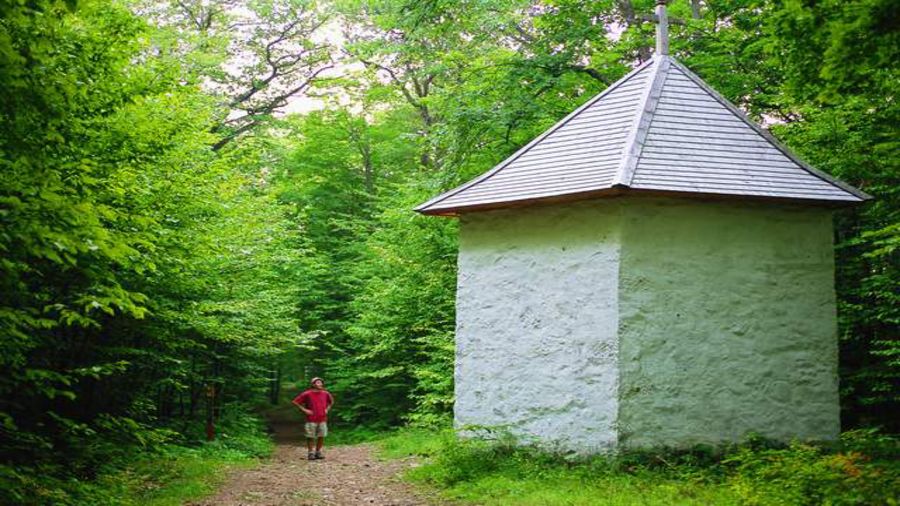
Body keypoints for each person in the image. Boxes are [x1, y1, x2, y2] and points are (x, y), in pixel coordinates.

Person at [292, 377, 334, 461]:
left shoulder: (326, 393)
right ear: (313, 384)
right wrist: (305, 410)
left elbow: (331, 402)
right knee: (310, 436)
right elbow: (295, 402)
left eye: (321, 382)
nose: (320, 384)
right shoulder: (307, 394)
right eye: (318, 382)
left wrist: (327, 409)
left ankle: (318, 452)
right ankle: (310, 453)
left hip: (322, 418)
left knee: (321, 436)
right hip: (311, 419)